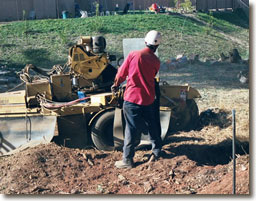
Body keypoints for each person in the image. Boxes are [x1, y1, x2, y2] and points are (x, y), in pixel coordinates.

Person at [111, 30, 162, 169]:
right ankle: (157, 152)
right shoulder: (156, 61)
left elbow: (121, 73)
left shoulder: (134, 54)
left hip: (132, 99)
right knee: (153, 125)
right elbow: (152, 75)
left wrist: (115, 85)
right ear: (157, 46)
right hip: (148, 99)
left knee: (131, 129)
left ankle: (127, 160)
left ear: (146, 42)